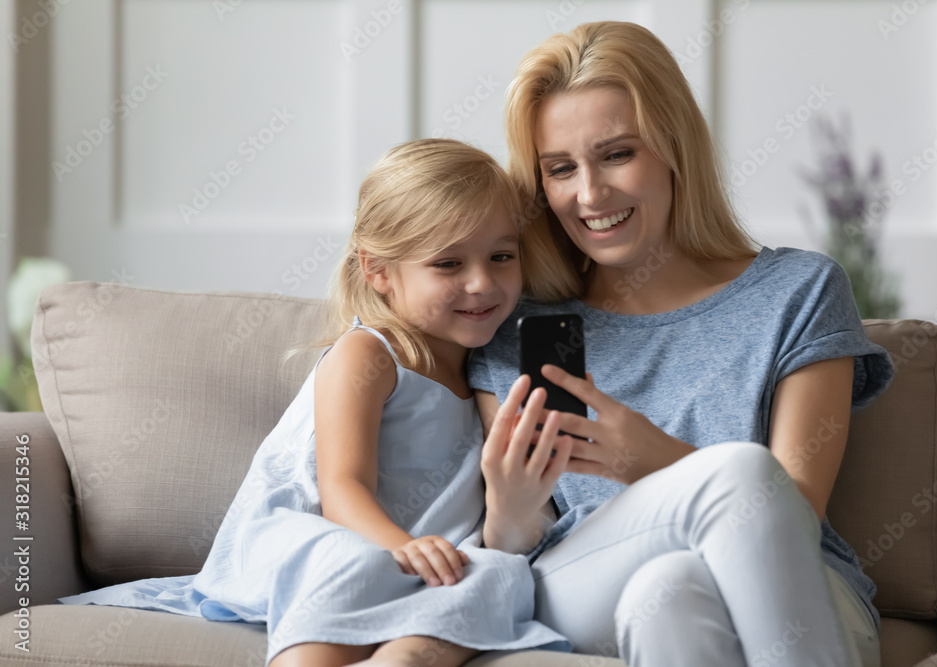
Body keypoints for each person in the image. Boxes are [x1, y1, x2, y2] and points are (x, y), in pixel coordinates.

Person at [468, 21, 895, 667]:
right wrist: (507, 509)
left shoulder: (799, 290)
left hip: (802, 589)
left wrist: (649, 457)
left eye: (616, 154)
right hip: (581, 584)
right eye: (560, 169)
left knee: (668, 590)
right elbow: (509, 552)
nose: (589, 194)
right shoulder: (510, 327)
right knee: (737, 477)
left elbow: (791, 517)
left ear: (673, 147)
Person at [57, 138, 573, 667]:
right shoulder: (368, 355)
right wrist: (400, 547)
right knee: (355, 562)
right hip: (328, 536)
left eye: (502, 256)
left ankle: (406, 656)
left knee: (500, 574)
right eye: (447, 264)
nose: (482, 282)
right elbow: (341, 489)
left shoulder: (491, 367)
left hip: (415, 555)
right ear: (378, 272)